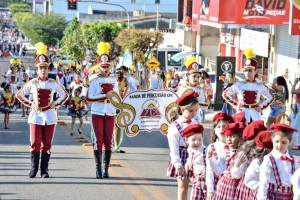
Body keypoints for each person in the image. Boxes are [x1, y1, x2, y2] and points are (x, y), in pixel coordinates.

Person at [16, 42, 68, 178]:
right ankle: (34, 168)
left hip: (50, 116)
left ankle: (44, 170)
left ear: (48, 69)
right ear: (37, 69)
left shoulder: (53, 83)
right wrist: (30, 104)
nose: (43, 71)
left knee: (47, 144)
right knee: (34, 143)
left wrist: (55, 104)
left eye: (45, 68)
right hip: (36, 116)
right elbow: (19, 95)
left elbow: (65, 95)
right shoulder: (32, 83)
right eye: (41, 68)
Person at [86, 42, 119, 179]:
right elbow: (89, 98)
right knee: (98, 140)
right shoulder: (94, 81)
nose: (105, 69)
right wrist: (104, 96)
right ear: (99, 67)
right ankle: (98, 169)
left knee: (108, 141)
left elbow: (117, 97)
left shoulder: (114, 80)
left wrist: (117, 105)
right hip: (98, 112)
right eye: (103, 67)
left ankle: (106, 169)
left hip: (110, 112)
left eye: (107, 66)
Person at [222, 49, 274, 123]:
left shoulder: (260, 85)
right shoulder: (239, 84)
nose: (247, 73)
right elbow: (225, 94)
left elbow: (271, 97)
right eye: (245, 70)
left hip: (255, 115)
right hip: (242, 114)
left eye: (250, 70)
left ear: (255, 71)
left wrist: (262, 106)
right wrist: (236, 105)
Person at [166, 91, 201, 200]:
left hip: (197, 155)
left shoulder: (196, 121)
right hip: (183, 157)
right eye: (191, 111)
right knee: (183, 187)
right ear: (182, 110)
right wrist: (178, 165)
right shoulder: (175, 126)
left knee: (199, 185)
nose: (194, 113)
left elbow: (200, 140)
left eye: (196, 110)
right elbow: (174, 148)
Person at [257, 124, 298, 199]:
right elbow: (263, 181)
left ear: (290, 142)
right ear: (272, 140)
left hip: (290, 196)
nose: (279, 145)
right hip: (274, 196)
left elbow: (297, 181)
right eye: (277, 141)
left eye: (284, 142)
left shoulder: (293, 159)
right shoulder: (269, 159)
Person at [233, 120, 267, 200]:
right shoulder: (244, 153)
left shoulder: (265, 152)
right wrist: (237, 166)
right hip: (248, 188)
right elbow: (238, 175)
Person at [206, 112, 234, 200]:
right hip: (216, 183)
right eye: (218, 127)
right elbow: (209, 170)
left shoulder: (234, 146)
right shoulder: (212, 147)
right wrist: (210, 190)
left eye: (225, 126)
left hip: (231, 183)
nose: (222, 129)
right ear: (214, 129)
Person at [214, 122, 246, 200]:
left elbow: (239, 175)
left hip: (236, 186)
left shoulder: (242, 153)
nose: (229, 139)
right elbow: (218, 170)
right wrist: (211, 161)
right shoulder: (224, 151)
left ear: (240, 138)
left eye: (233, 136)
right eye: (227, 137)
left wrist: (237, 166)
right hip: (223, 184)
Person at [177, 57, 208, 122]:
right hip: (183, 119)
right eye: (194, 76)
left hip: (196, 119)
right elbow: (176, 104)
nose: (196, 79)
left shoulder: (200, 89)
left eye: (198, 77)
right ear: (188, 76)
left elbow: (204, 106)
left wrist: (206, 93)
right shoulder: (182, 88)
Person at [243, 130, 273, 199]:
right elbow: (248, 180)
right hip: (259, 194)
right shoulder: (257, 162)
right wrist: (262, 186)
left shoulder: (275, 160)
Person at [183, 124, 207, 200]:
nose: (197, 142)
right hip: (196, 179)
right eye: (193, 140)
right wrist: (187, 162)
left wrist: (207, 171)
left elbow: (212, 163)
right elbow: (190, 157)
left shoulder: (205, 151)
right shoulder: (190, 149)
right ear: (186, 140)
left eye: (200, 139)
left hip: (206, 179)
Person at [291, 78, 300, 150]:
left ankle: (297, 144)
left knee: (295, 127)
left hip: (298, 108)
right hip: (297, 107)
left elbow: (292, 91)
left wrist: (295, 83)